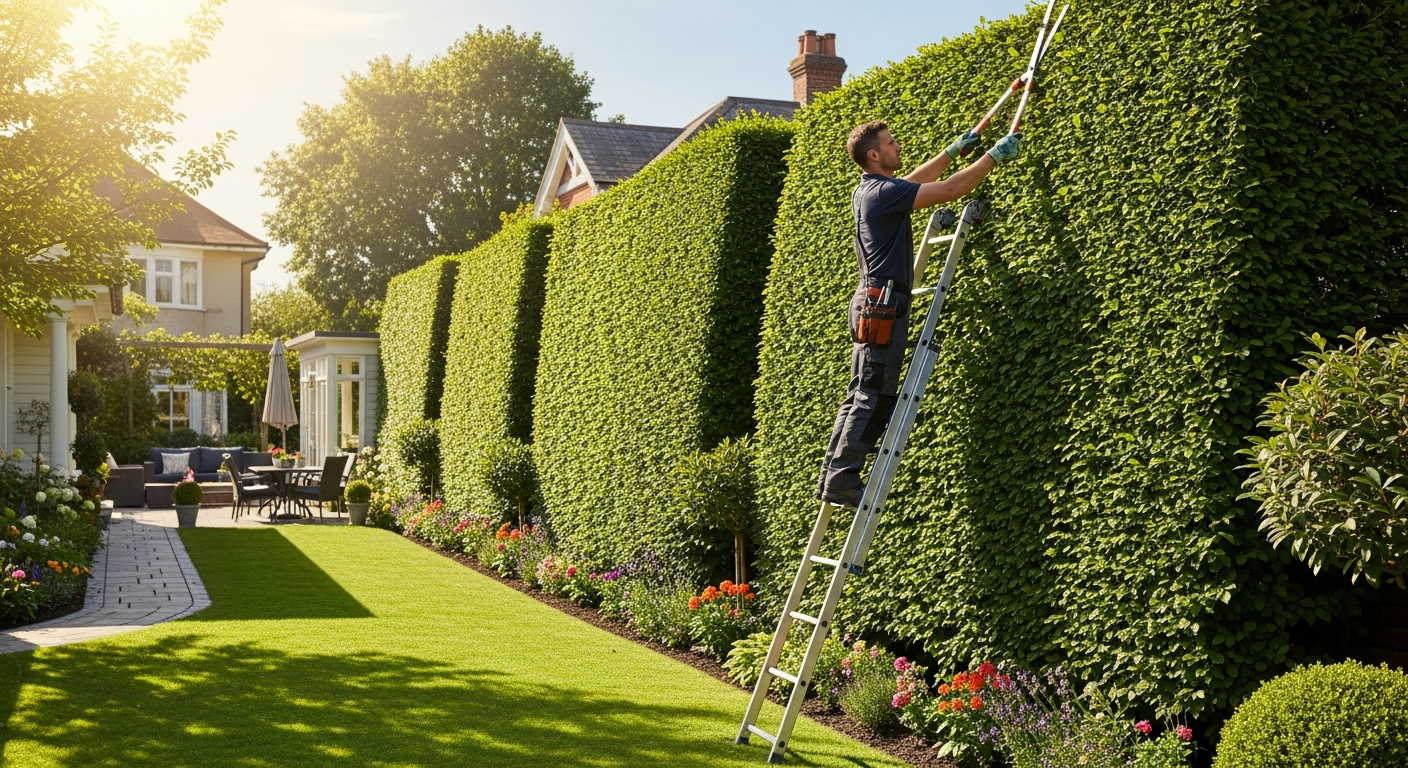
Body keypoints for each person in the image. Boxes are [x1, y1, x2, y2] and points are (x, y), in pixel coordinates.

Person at [815, 121, 1020, 508]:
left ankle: (834, 476)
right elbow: (948, 191)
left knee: (860, 393)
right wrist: (992, 157)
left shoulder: (872, 190)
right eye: (891, 143)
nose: (898, 145)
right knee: (872, 396)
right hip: (883, 305)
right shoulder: (881, 193)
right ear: (873, 155)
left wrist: (953, 151)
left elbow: (913, 182)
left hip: (873, 301)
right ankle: (842, 480)